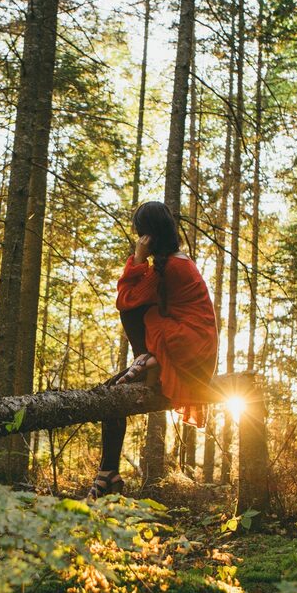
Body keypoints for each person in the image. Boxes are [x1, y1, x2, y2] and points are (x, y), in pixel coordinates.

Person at [88, 200, 219, 499]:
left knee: (133, 311)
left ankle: (147, 359)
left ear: (149, 234)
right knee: (112, 391)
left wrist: (137, 257)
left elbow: (125, 299)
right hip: (190, 346)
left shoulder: (171, 267)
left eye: (141, 234)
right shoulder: (174, 262)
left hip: (186, 347)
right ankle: (108, 474)